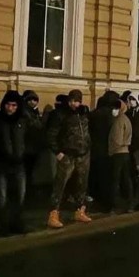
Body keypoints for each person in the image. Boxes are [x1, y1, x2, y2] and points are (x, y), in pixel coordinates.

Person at [46, 89, 92, 228]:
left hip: (83, 154)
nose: (74, 103)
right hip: (67, 154)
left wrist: (87, 147)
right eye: (72, 100)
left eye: (77, 101)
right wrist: (58, 152)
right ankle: (53, 213)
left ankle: (80, 210)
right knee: (60, 185)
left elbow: (87, 132)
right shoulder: (61, 114)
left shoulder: (83, 113)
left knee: (81, 184)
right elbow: (51, 134)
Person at [0, 91, 27, 235]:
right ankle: (2, 227)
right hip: (2, 163)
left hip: (19, 164)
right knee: (2, 197)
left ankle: (17, 224)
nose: (10, 108)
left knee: (19, 196)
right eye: (8, 104)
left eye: (14, 105)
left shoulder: (22, 121)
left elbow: (32, 137)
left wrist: (24, 154)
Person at [88, 90, 120, 211]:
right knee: (108, 178)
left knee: (97, 177)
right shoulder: (112, 115)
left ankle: (99, 201)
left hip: (96, 149)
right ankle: (108, 203)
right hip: (109, 149)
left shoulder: (94, 114)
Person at [108, 99, 134, 212]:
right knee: (126, 179)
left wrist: (111, 151)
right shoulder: (126, 119)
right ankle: (129, 203)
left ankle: (114, 205)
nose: (114, 110)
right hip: (126, 152)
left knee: (115, 179)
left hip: (118, 153)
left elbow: (116, 140)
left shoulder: (119, 120)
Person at [22, 90, 44, 192]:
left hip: (32, 147)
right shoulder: (25, 112)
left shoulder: (33, 112)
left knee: (29, 172)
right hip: (27, 147)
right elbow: (37, 126)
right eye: (30, 100)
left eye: (35, 100)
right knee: (27, 172)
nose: (33, 102)